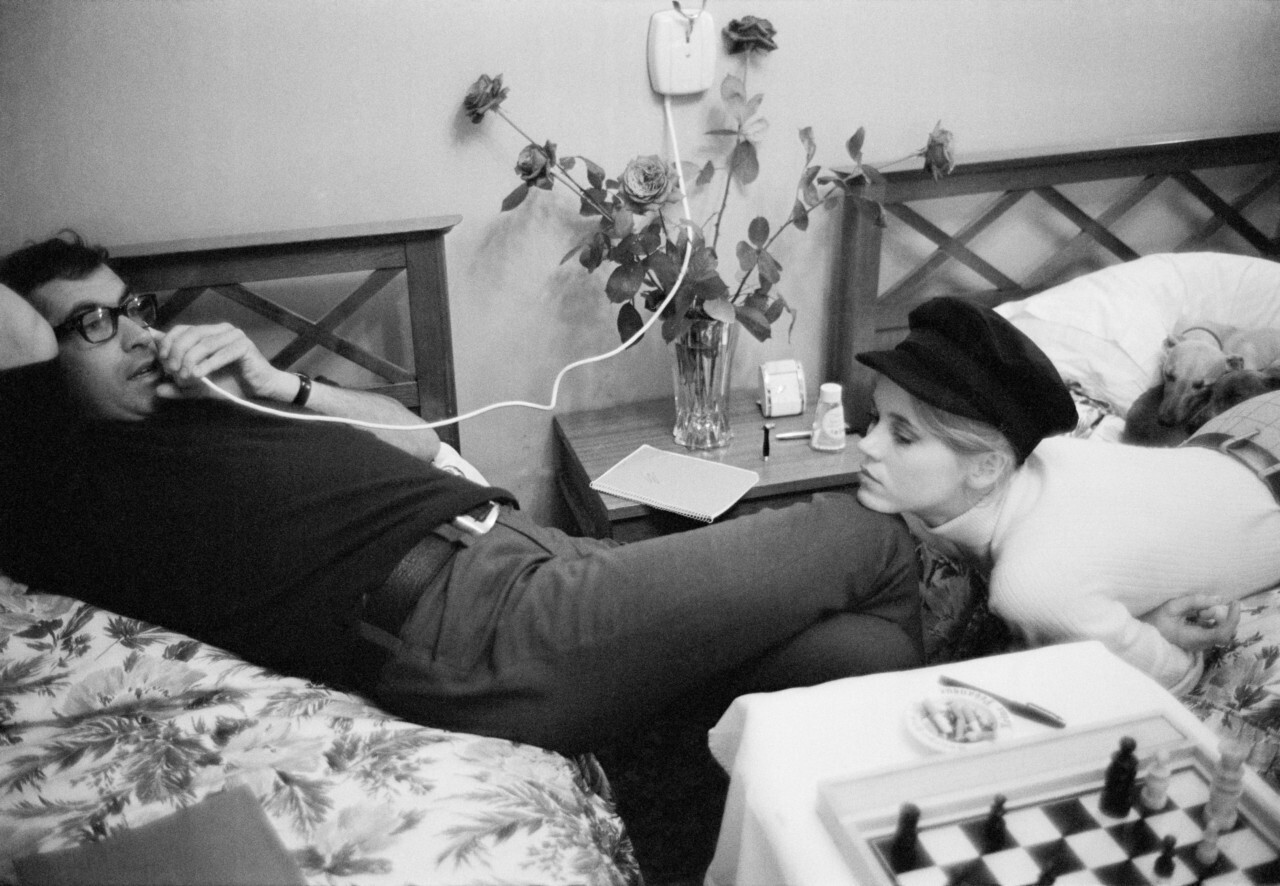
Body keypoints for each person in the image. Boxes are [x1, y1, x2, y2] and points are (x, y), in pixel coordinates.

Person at [0, 232, 924, 753]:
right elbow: (16, 337)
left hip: (528, 561)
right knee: (868, 535)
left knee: (854, 654)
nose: (135, 336)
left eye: (133, 309)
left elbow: (420, 442)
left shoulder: (212, 402)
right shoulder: (63, 480)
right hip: (476, 626)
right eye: (90, 325)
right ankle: (983, 516)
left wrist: (283, 386)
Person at [853, 296, 1273, 694]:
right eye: (873, 419)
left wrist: (1148, 632)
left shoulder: (1029, 584)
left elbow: (1175, 676)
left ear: (986, 468)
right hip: (1236, 431)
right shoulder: (1033, 459)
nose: (866, 446)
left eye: (903, 437)